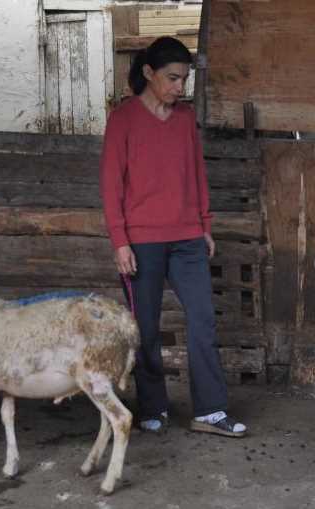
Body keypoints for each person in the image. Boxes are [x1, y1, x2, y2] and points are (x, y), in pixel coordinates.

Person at [99, 36, 246, 438]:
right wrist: (120, 241)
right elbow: (111, 185)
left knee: (202, 321)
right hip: (141, 241)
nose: (180, 88)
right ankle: (152, 407)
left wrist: (204, 225)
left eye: (184, 80)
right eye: (172, 79)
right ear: (148, 73)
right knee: (144, 327)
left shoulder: (184, 120)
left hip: (187, 239)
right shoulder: (123, 119)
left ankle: (210, 411)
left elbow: (197, 172)